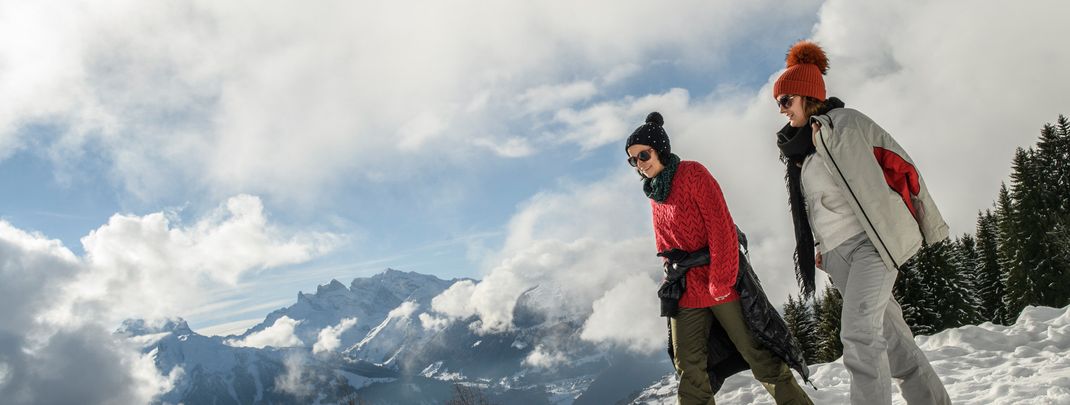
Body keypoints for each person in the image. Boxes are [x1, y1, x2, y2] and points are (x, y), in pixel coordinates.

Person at [771, 40, 952, 405]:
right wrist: (821, 249)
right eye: (779, 104)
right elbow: (815, 208)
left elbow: (902, 167)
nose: (782, 110)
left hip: (872, 244)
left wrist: (928, 223)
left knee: (857, 334)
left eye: (785, 100)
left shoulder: (848, 124)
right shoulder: (800, 157)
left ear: (807, 95)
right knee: (896, 345)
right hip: (839, 258)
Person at [627, 112, 813, 405]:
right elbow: (663, 245)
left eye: (643, 155)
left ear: (660, 148)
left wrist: (721, 280)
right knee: (688, 368)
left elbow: (721, 228)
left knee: (758, 355)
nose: (639, 164)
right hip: (686, 289)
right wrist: (670, 276)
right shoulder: (654, 194)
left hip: (720, 282)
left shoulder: (693, 174)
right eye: (633, 160)